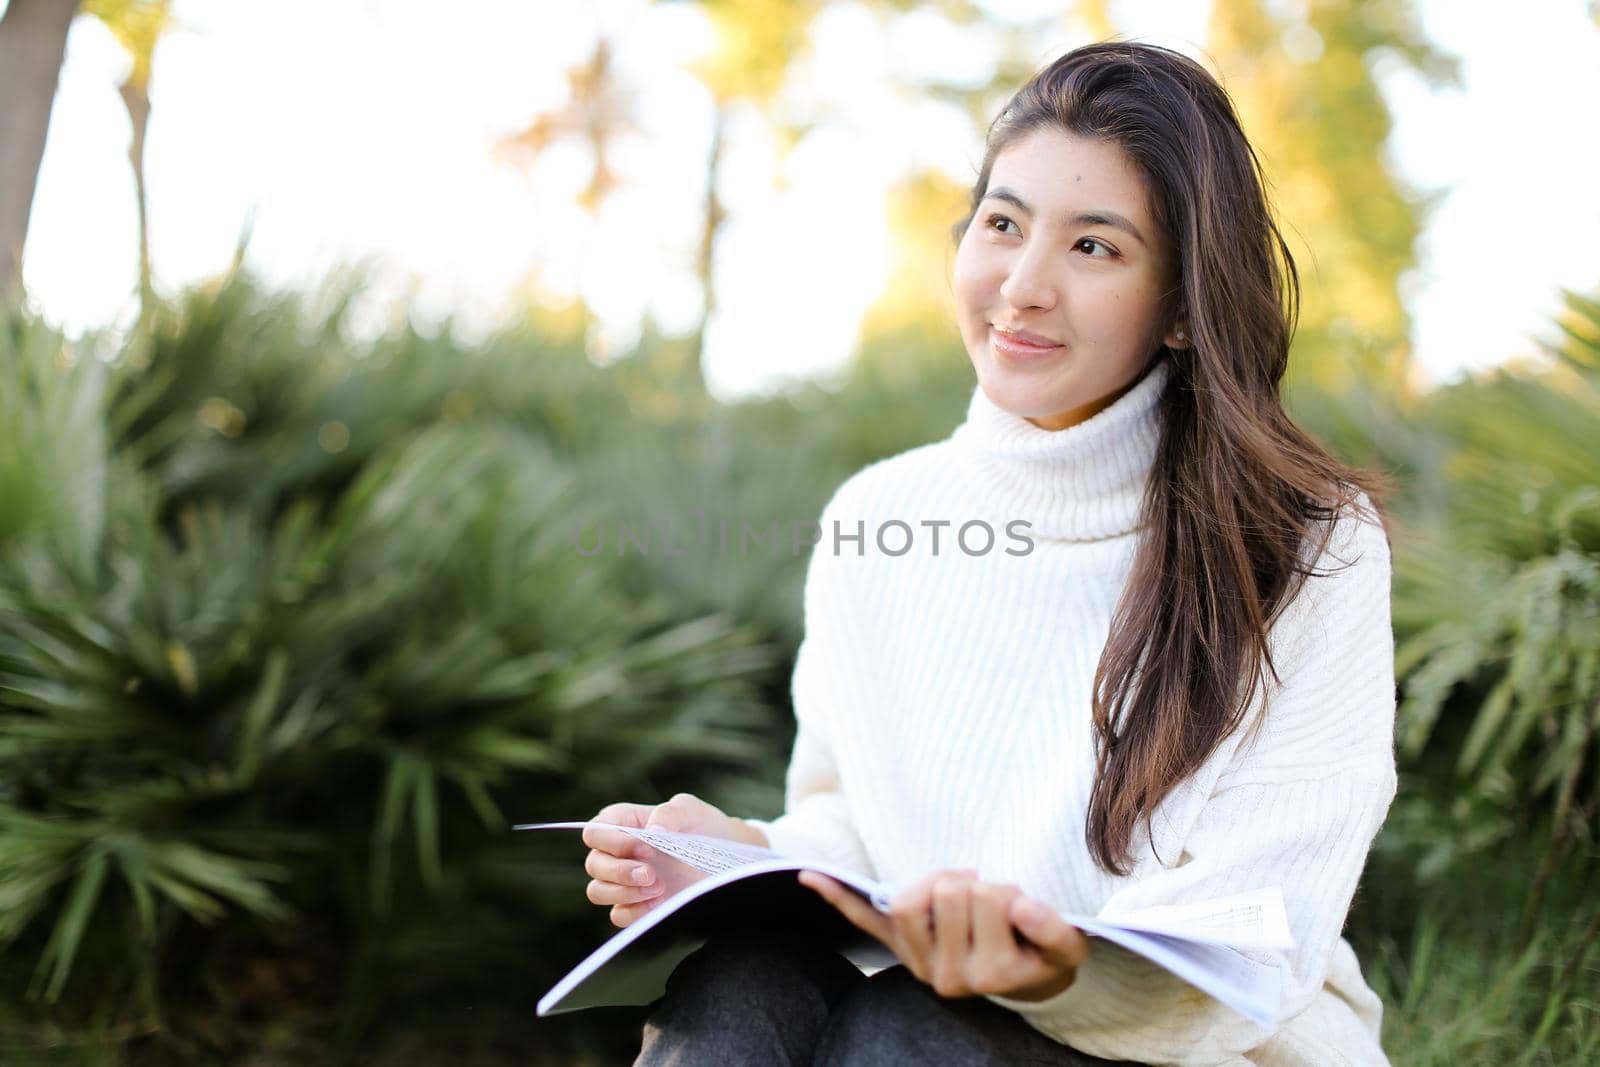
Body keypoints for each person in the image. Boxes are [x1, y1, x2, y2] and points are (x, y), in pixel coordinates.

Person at [580, 39, 1398, 1067]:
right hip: (923, 1003)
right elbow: (854, 826)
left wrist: (1052, 968)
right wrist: (737, 852)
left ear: (1184, 306)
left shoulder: (1303, 546)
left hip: (1208, 1046)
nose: (1021, 285)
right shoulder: (876, 517)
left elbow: (1258, 928)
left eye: (1092, 247)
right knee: (734, 985)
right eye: (1003, 225)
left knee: (908, 1028)